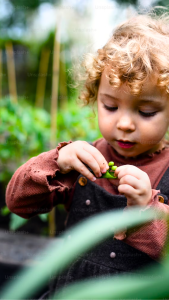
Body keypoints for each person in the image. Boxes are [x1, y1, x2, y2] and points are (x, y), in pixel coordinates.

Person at [5, 10, 169, 298]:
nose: (125, 123)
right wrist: (57, 161)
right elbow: (17, 202)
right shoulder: (81, 161)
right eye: (110, 106)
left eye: (146, 111)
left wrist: (146, 209)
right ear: (95, 97)